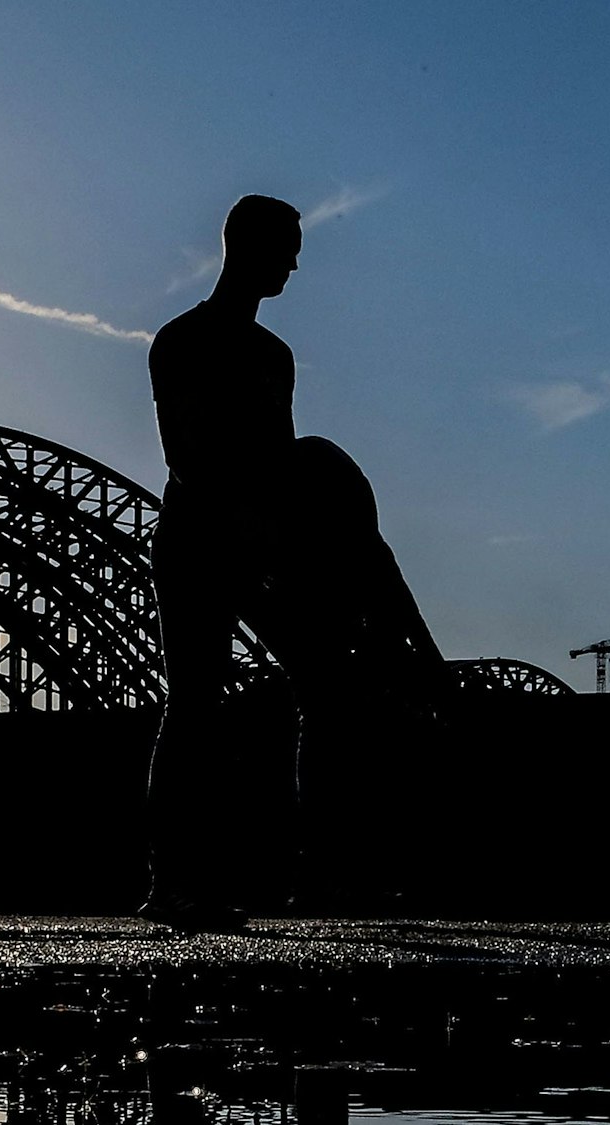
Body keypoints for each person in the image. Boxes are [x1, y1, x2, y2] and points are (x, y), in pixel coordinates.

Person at [142, 196, 451, 932]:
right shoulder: (179, 341)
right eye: (287, 246)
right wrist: (256, 530)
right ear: (245, 245)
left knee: (324, 686)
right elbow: (186, 459)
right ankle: (173, 881)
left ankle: (320, 875)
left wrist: (278, 544)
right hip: (194, 544)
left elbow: (276, 462)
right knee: (195, 698)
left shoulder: (273, 358)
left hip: (255, 547)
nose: (295, 262)